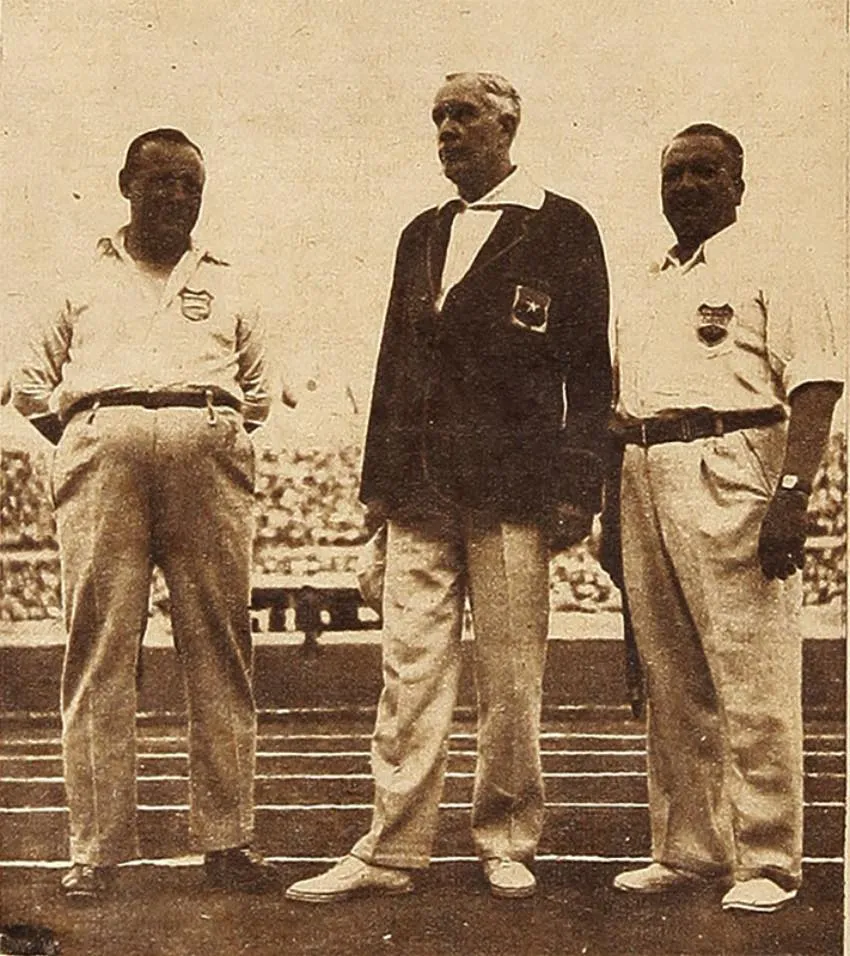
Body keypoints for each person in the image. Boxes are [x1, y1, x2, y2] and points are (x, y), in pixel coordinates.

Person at [286, 72, 611, 903]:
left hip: (513, 490)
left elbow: (586, 366)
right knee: (409, 673)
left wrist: (580, 485)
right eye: (437, 116)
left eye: (462, 115)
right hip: (421, 492)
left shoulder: (563, 226)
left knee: (510, 679)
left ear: (507, 125)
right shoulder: (420, 233)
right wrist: (376, 495)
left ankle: (507, 837)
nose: (446, 130)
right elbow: (394, 365)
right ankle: (392, 847)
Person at [11, 128, 281, 900]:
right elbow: (31, 387)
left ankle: (227, 841)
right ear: (126, 183)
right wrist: (100, 434)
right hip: (102, 445)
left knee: (221, 645)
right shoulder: (78, 278)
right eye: (161, 182)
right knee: (99, 648)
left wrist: (198, 432)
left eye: (192, 185)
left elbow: (257, 391)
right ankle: (96, 850)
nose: (178, 198)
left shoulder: (229, 282)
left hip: (207, 443)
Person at [610, 123, 843, 913]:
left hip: (733, 456)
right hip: (643, 464)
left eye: (704, 172)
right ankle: (689, 849)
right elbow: (621, 406)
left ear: (739, 184)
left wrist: (792, 491)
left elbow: (814, 383)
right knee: (673, 678)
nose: (685, 187)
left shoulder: (773, 262)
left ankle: (770, 857)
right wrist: (615, 508)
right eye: (673, 174)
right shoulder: (645, 278)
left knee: (749, 671)